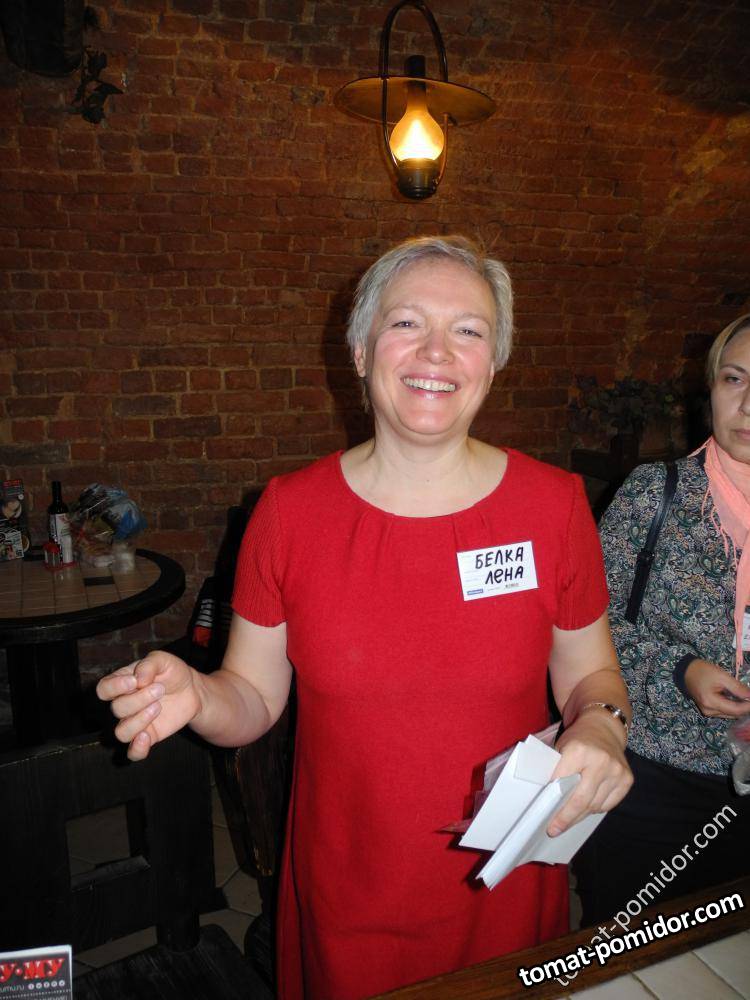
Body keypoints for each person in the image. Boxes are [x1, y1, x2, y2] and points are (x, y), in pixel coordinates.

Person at [97, 235, 632, 1000]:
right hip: (347, 889)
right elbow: (252, 698)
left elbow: (591, 674)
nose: (437, 352)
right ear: (358, 349)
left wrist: (603, 726)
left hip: (506, 881)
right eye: (406, 323)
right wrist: (199, 695)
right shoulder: (289, 513)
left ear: (494, 361)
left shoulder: (553, 506)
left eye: (468, 330)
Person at [573, 313, 750, 926]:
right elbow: (585, 633)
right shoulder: (656, 494)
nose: (748, 404)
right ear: (711, 391)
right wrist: (681, 671)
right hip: (657, 786)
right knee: (627, 947)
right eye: (734, 379)